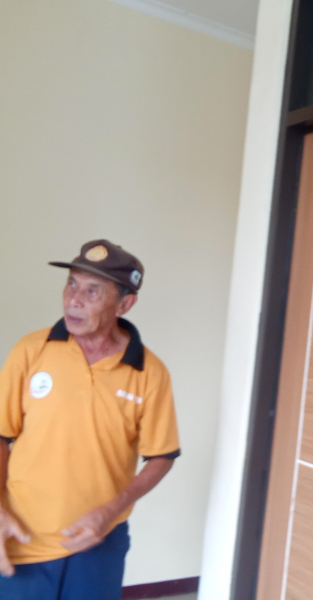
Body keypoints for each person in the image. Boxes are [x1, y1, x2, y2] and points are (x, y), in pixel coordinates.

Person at [0, 240, 180, 600]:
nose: (73, 299)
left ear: (125, 304)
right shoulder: (30, 350)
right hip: (21, 537)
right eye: (71, 283)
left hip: (99, 541)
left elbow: (161, 456)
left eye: (92, 290)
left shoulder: (149, 372)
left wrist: (111, 511)